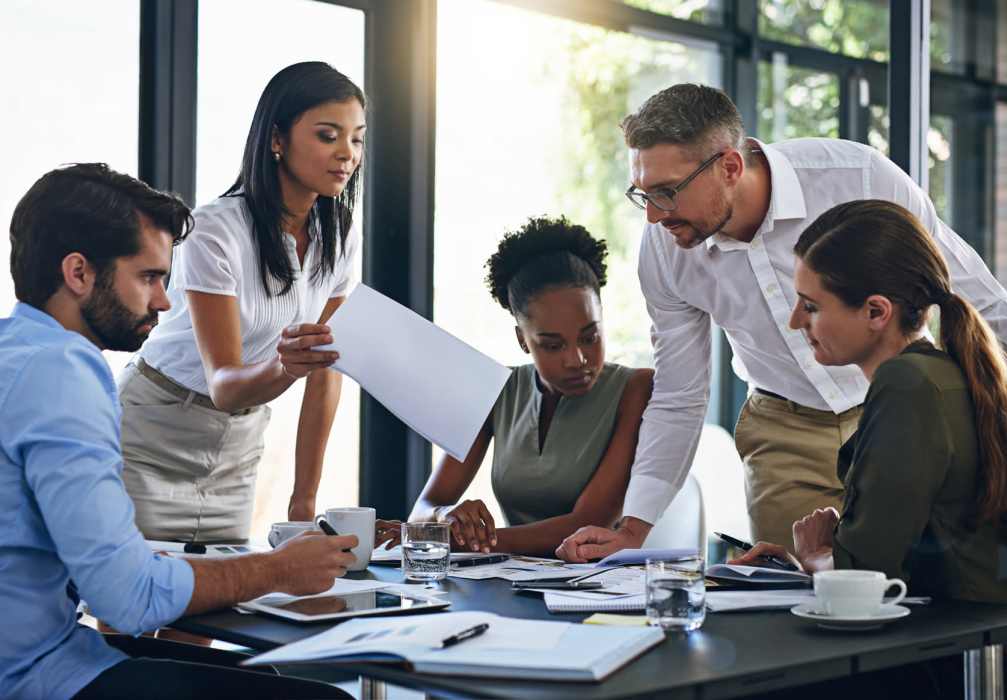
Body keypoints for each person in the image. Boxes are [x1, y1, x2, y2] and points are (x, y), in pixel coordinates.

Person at [556, 83, 1007, 562]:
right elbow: (680, 393)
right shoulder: (667, 249)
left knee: (912, 607)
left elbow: (985, 306)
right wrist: (632, 529)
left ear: (728, 165)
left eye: (667, 191)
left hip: (895, 418)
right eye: (643, 193)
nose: (653, 215)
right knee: (797, 620)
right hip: (784, 432)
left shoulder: (857, 180)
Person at [0, 163, 357, 699]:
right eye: (149, 277)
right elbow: (126, 599)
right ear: (78, 273)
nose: (165, 302)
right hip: (38, 676)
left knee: (265, 678)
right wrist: (277, 569)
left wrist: (135, 557)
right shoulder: (65, 374)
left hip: (47, 647)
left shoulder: (16, 352)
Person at [731, 199, 1007, 697]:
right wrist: (811, 560)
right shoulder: (944, 372)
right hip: (1001, 654)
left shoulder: (907, 385)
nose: (796, 322)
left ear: (875, 312)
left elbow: (866, 577)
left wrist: (817, 554)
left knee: (753, 675)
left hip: (979, 667)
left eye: (812, 305)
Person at [121, 61, 365, 543]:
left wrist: (304, 499)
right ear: (277, 139)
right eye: (327, 135)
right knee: (126, 610)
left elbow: (326, 371)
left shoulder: (339, 233)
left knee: (218, 607)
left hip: (238, 446)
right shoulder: (215, 230)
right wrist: (287, 367)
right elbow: (225, 384)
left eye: (356, 139)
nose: (346, 154)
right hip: (153, 432)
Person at [379, 217, 653, 556]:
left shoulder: (636, 389)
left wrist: (464, 540)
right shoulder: (496, 389)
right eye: (553, 345)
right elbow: (425, 507)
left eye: (590, 337)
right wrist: (445, 517)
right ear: (523, 340)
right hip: (513, 582)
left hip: (606, 588)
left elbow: (587, 523)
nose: (577, 359)